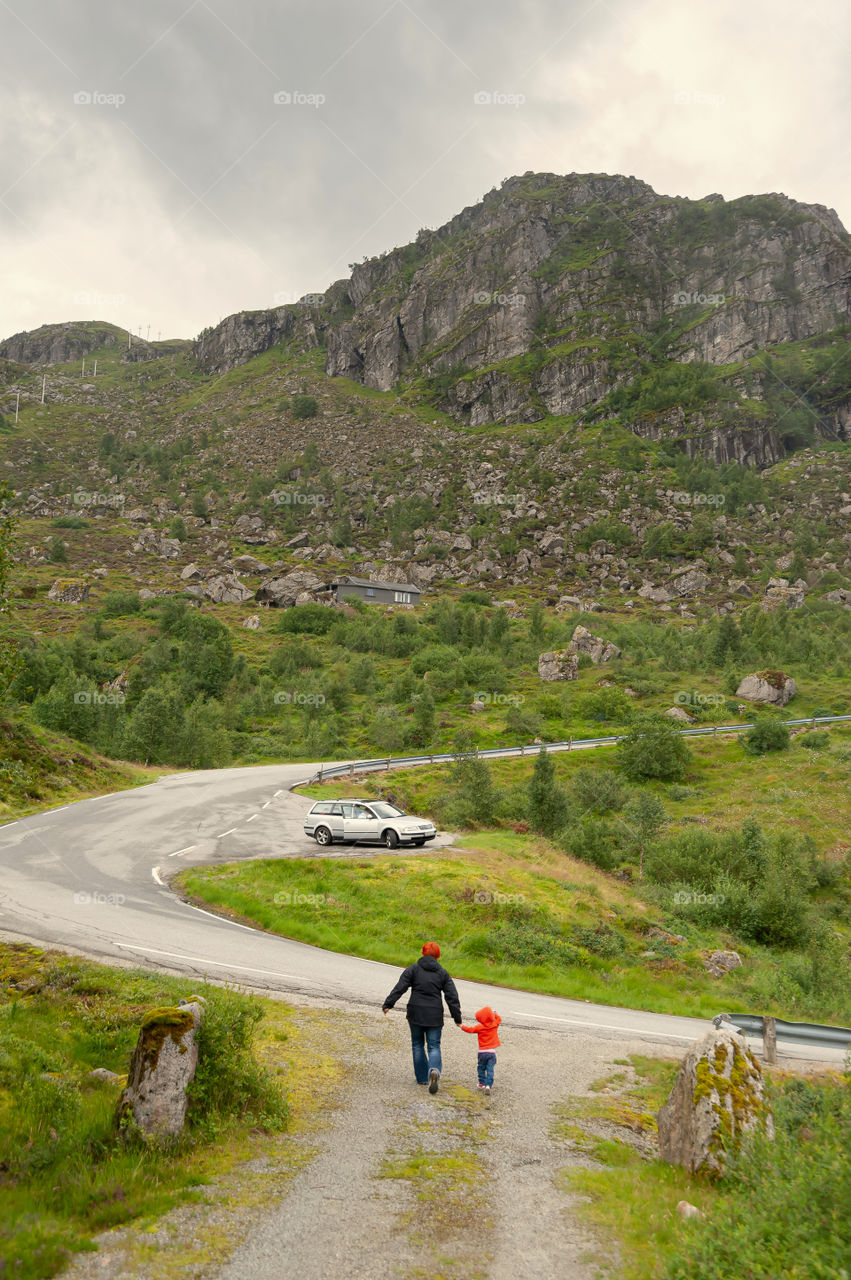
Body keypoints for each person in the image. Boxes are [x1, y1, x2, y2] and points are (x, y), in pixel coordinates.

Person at [383, 942, 462, 1093]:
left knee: (418, 1044)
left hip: (415, 1013)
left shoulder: (413, 969)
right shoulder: (442, 973)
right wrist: (457, 1017)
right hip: (434, 1015)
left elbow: (400, 987)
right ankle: (434, 1070)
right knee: (434, 1046)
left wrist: (388, 1004)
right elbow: (452, 996)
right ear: (438, 955)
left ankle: (422, 1078)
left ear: (423, 953)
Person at [460, 1005, 501, 1094]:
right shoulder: (494, 1024)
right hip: (491, 1052)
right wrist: (495, 1013)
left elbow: (469, 1030)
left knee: (481, 1068)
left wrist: (461, 1026)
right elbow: (499, 1019)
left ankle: (482, 1083)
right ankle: (488, 1085)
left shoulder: (479, 1027)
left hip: (482, 1052)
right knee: (490, 1069)